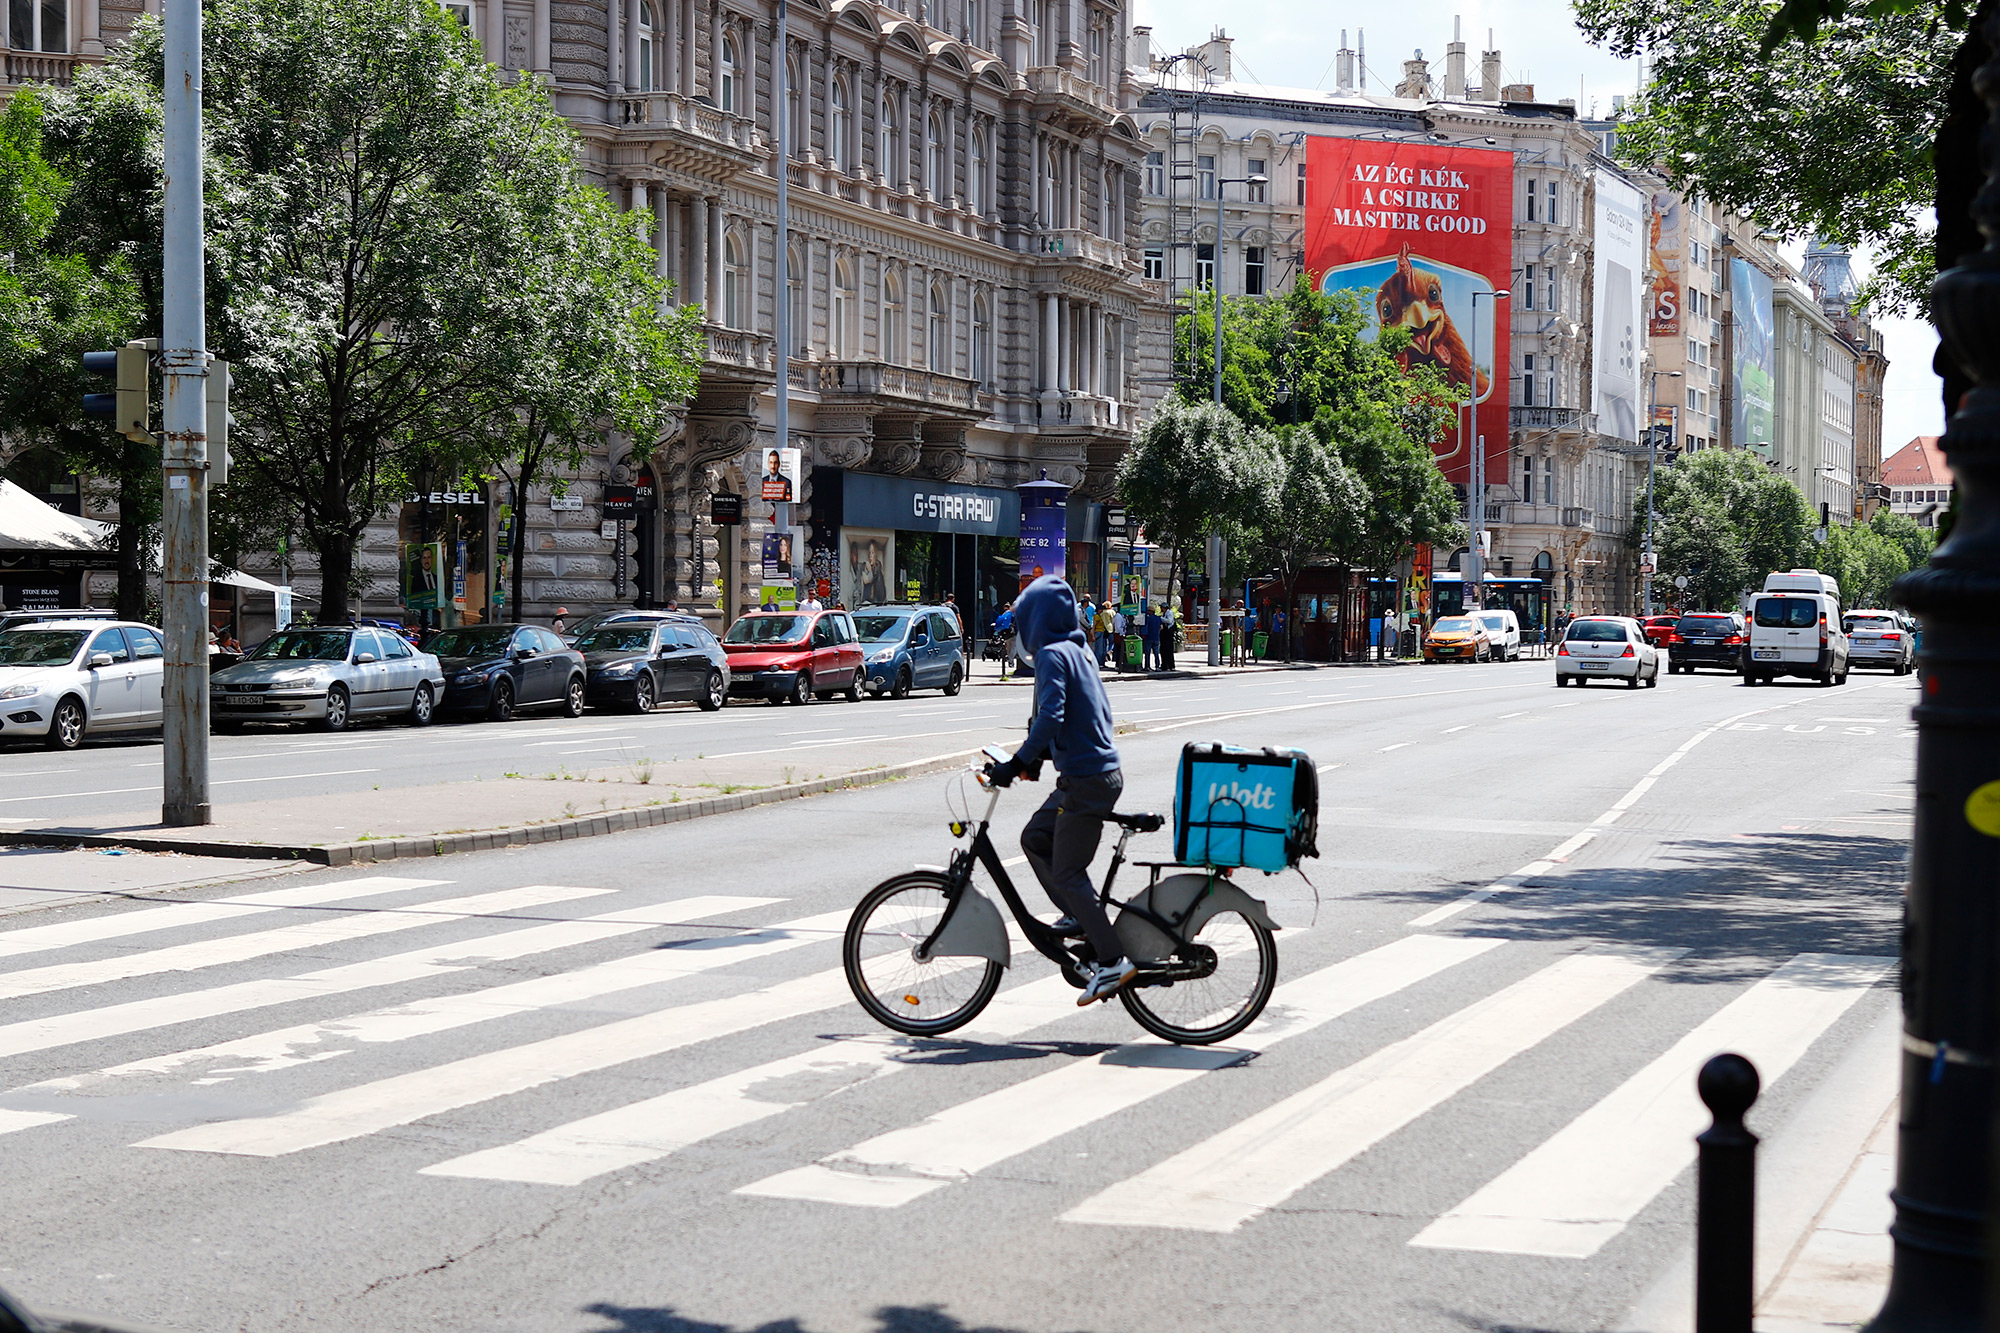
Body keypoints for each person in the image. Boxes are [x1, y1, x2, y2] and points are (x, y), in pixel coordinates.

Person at [987, 576, 1136, 1005]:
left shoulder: (1053, 655)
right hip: (1090, 774)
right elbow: (1085, 721)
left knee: (1069, 872)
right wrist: (1038, 759)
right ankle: (1078, 915)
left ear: (1037, 620)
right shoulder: (1080, 651)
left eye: (1024, 618)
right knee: (1035, 837)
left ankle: (1111, 961)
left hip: (1088, 781)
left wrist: (1016, 762)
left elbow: (1052, 717)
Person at [1092, 600, 1114, 669]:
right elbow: (1094, 626)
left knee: (1102, 648)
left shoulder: (1100, 615)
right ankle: (1099, 663)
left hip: (1102, 632)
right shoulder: (1096, 616)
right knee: (1099, 649)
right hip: (1098, 632)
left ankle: (1102, 662)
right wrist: (1092, 634)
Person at [1141, 604, 1163, 671]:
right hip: (1156, 637)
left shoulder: (1147, 618)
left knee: (1147, 653)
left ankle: (1147, 666)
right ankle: (1157, 666)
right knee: (1156, 653)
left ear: (1150, 611)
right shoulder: (1158, 618)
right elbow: (1161, 627)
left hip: (1148, 637)